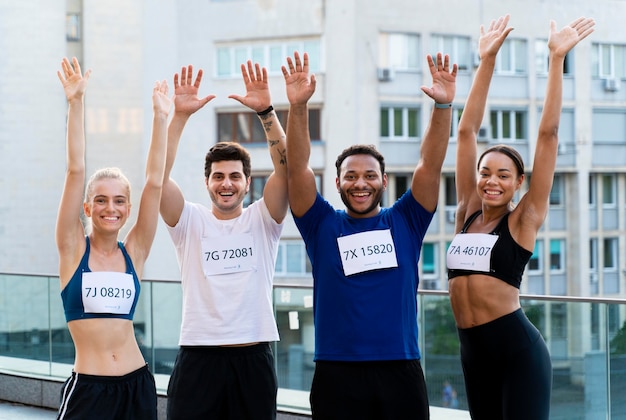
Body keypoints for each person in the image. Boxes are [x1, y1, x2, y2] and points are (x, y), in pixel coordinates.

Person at [285, 51, 457, 419]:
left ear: (383, 180)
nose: (360, 183)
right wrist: (298, 107)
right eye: (350, 176)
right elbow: (297, 167)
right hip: (336, 372)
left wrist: (443, 108)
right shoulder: (321, 223)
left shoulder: (406, 220)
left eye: (369, 175)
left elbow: (430, 164)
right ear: (337, 183)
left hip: (400, 367)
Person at [447, 15, 595, 420]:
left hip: (517, 352)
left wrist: (555, 59)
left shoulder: (524, 218)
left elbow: (547, 135)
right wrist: (487, 61)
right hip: (471, 352)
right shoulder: (466, 210)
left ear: (518, 183)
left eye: (503, 175)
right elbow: (466, 132)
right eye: (485, 172)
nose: (491, 181)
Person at [161, 59, 300, 419]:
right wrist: (178, 118)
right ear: (207, 182)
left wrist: (267, 113)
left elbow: (288, 167)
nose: (226, 183)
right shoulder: (188, 221)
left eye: (235, 176)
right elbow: (155, 180)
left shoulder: (263, 220)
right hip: (198, 356)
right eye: (218, 176)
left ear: (247, 183)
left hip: (252, 358)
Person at [55, 57, 171, 419]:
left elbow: (155, 182)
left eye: (119, 200)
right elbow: (76, 170)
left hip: (137, 386)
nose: (111, 208)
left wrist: (161, 118)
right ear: (88, 208)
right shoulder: (73, 247)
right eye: (101, 200)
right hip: (89, 389)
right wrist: (76, 102)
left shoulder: (133, 252)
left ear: (128, 208)